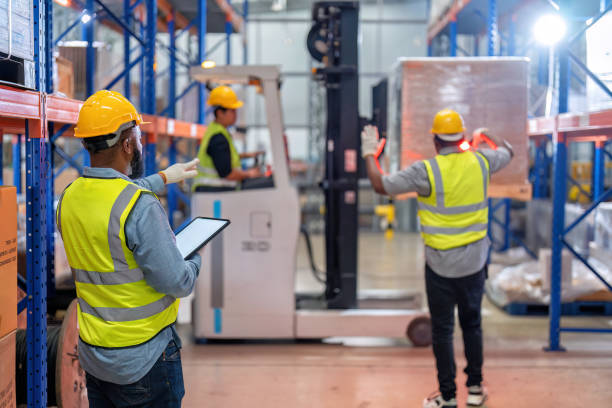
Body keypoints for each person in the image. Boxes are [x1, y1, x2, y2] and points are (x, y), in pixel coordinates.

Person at [57, 90, 201, 408]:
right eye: (136, 135)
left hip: (95, 358)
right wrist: (193, 257)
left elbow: (110, 198)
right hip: (144, 359)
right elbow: (178, 282)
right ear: (126, 144)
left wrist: (163, 177)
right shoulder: (141, 208)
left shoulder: (68, 198)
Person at [361, 109, 514, 408]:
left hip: (440, 268)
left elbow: (382, 185)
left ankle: (447, 397)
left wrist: (370, 154)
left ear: (435, 141)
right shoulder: (482, 161)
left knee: (442, 331)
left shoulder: (425, 171)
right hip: (474, 265)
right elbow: (508, 151)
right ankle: (475, 390)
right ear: (461, 137)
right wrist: (485, 135)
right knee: (472, 326)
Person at [193, 85, 266, 192]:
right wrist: (250, 173)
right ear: (220, 113)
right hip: (214, 192)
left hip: (213, 191)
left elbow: (224, 157)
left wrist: (247, 155)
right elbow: (227, 173)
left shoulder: (217, 131)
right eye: (232, 111)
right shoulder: (218, 137)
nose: (235, 115)